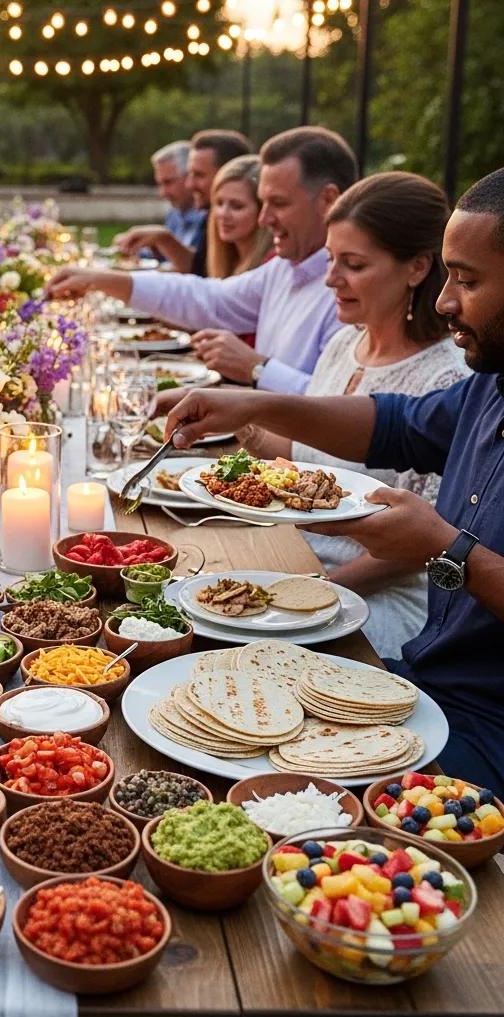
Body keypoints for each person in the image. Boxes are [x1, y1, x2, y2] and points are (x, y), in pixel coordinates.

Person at [154, 166, 504, 791]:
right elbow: (394, 424)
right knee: (189, 701)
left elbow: (439, 547)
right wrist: (252, 403)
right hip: (421, 682)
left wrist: (449, 551)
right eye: (450, 275)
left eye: (469, 280)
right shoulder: (490, 383)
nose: (447, 300)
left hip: (486, 735)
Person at [235, 172, 468, 658]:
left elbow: (416, 550)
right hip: (298, 561)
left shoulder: (446, 379)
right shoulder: (345, 343)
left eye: (353, 264)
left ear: (417, 268)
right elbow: (308, 463)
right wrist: (236, 421)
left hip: (374, 597)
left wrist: (306, 594)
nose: (330, 279)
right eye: (331, 260)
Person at [49, 126, 357, 393]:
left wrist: (257, 369)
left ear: (329, 200)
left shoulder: (350, 290)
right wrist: (103, 280)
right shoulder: (283, 269)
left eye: (278, 203)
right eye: (263, 203)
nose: (264, 218)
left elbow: (341, 408)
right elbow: (209, 298)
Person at [114, 129, 252, 275]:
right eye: (189, 174)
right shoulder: (211, 218)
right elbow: (201, 271)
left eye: (199, 175)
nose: (189, 184)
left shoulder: (234, 225)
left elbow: (202, 280)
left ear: (228, 175)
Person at [205, 155, 273, 280]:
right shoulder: (228, 261)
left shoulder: (271, 267)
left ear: (262, 211)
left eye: (237, 206)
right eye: (219, 203)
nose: (223, 214)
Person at [153, 141, 206, 250]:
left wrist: (165, 240)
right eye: (160, 184)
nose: (163, 193)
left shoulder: (211, 217)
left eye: (168, 182)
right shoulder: (174, 214)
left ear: (189, 176)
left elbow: (198, 264)